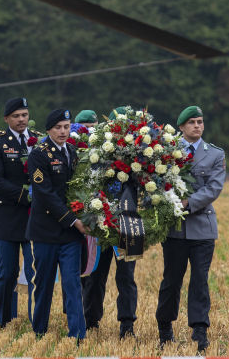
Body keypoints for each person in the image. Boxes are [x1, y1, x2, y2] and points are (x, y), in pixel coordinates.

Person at [156, 105, 226, 353]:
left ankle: (199, 330)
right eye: (192, 122)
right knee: (171, 280)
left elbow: (213, 188)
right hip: (175, 230)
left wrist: (187, 203)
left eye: (200, 121)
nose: (197, 125)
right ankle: (164, 328)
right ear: (182, 127)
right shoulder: (166, 150)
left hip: (202, 230)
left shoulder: (215, 154)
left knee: (199, 281)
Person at [26, 108, 87, 340]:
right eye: (58, 127)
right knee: (43, 283)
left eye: (66, 126)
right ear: (49, 129)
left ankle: (78, 335)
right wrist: (73, 220)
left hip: (70, 235)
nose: (63, 132)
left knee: (72, 284)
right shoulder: (39, 154)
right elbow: (45, 194)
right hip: (46, 231)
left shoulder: (72, 151)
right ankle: (39, 330)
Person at [81, 107, 138, 338]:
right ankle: (91, 321)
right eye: (117, 128)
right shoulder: (98, 152)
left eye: (125, 128)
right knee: (95, 274)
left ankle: (127, 325)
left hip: (131, 222)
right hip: (100, 220)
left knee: (127, 277)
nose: (121, 133)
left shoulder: (142, 152)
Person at [0, 97, 36, 326]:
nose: (21, 119)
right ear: (6, 119)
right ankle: (2, 318)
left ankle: (36, 319)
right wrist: (28, 197)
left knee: (37, 271)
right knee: (7, 272)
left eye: (24, 115)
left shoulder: (37, 140)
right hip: (6, 218)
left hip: (35, 219)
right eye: (16, 116)